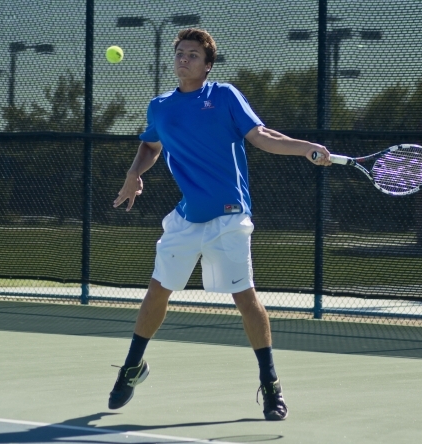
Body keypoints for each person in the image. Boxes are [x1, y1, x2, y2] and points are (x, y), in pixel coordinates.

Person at [109, 28, 331, 421]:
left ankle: (270, 383)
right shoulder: (160, 106)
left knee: (245, 299)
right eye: (179, 53)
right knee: (157, 292)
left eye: (193, 55)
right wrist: (133, 173)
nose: (183, 59)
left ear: (207, 65)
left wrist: (305, 149)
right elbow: (150, 145)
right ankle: (133, 367)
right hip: (186, 218)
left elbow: (262, 136)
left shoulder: (224, 96)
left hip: (229, 217)